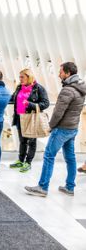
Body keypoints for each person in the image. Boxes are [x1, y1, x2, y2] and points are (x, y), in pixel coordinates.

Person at [25, 62, 86, 197]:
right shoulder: (80, 88)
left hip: (62, 129)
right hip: (72, 128)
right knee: (70, 158)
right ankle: (69, 187)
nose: (59, 74)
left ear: (68, 73)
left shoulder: (68, 90)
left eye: (61, 72)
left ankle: (42, 187)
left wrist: (50, 126)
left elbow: (58, 112)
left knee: (48, 156)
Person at [8, 69, 49, 173]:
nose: (20, 79)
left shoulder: (38, 88)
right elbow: (13, 98)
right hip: (19, 118)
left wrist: (30, 104)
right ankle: (21, 160)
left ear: (29, 77)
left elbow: (46, 103)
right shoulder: (19, 87)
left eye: (22, 77)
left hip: (32, 118)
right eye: (19, 77)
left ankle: (28, 162)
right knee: (22, 141)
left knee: (31, 141)